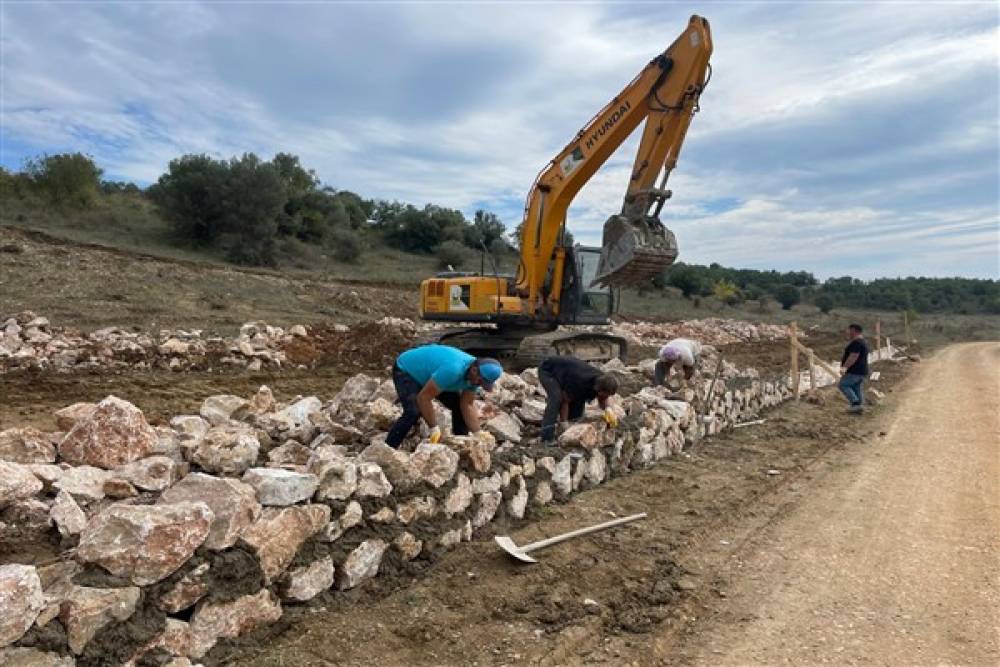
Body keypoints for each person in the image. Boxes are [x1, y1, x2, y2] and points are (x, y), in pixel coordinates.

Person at [386, 344, 503, 448]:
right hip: (407, 369)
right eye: (480, 382)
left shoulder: (475, 377)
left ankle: (461, 443)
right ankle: (388, 448)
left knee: (458, 405)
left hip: (434, 375)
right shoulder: (453, 370)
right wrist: (434, 428)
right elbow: (424, 398)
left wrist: (478, 433)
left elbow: (467, 404)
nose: (480, 385)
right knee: (413, 411)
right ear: (474, 370)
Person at [538, 356, 620, 442]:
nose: (606, 397)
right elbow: (565, 401)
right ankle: (546, 436)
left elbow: (603, 398)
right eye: (606, 394)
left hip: (568, 371)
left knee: (579, 400)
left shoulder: (603, 380)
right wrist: (564, 423)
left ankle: (571, 423)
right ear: (599, 390)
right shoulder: (580, 382)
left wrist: (608, 409)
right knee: (556, 398)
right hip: (549, 370)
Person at [839, 323, 869, 414]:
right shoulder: (863, 341)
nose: (847, 332)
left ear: (854, 331)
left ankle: (855, 403)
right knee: (856, 388)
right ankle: (859, 407)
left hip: (854, 371)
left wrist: (844, 367)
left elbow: (854, 356)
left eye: (849, 330)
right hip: (862, 371)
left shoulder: (856, 342)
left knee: (843, 385)